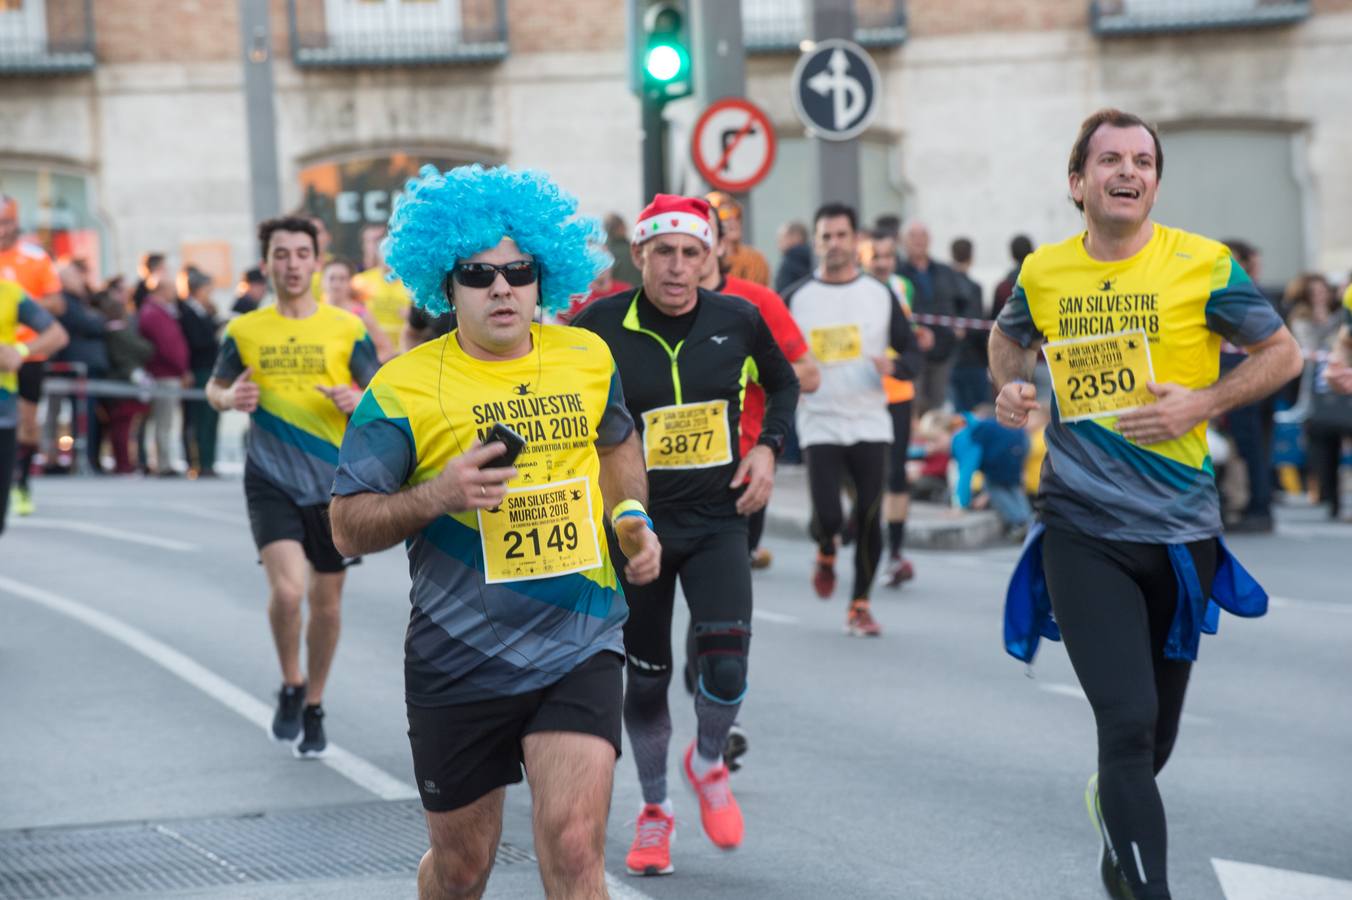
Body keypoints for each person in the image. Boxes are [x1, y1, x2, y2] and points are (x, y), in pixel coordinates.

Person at [992, 108, 1302, 900]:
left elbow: (1283, 354)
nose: (1127, 172)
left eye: (1142, 161)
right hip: (1080, 530)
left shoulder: (1203, 265)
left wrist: (1201, 403)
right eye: (1109, 160)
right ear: (1078, 181)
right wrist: (1012, 384)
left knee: (1151, 741)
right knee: (1125, 723)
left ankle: (1114, 807)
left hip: (1180, 535)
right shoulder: (1044, 272)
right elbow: (1007, 335)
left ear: (1156, 181)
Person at [329, 164, 660, 900]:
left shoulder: (585, 357)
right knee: (462, 869)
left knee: (576, 847)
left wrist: (630, 515)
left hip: (581, 637)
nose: (502, 287)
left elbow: (614, 446)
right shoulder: (403, 388)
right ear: (446, 288)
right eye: (479, 274)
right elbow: (347, 525)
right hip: (459, 657)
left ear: (544, 278)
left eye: (519, 270)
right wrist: (438, 496)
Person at [573, 193, 799, 874]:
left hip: (717, 520)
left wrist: (767, 450)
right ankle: (655, 812)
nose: (677, 267)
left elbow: (784, 385)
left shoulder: (739, 317)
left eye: (691, 253)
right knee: (645, 684)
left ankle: (706, 762)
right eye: (663, 252)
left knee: (726, 669)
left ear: (712, 258)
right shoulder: (598, 325)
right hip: (636, 526)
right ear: (639, 254)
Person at [207, 215, 380, 759]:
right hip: (270, 476)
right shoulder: (245, 331)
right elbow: (213, 387)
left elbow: (381, 392)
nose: (292, 264)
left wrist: (358, 402)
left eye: (302, 253)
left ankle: (315, 702)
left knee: (326, 604)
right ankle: (289, 681)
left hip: (331, 482)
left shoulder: (345, 326)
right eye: (281, 254)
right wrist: (228, 398)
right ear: (267, 263)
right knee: (287, 591)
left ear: (316, 261)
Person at [784, 203, 923, 636]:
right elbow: (773, 358)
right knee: (829, 516)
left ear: (855, 241)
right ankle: (825, 546)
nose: (834, 244)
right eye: (826, 237)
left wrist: (896, 368)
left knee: (868, 513)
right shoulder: (796, 298)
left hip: (868, 419)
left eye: (842, 235)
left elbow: (913, 353)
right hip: (819, 418)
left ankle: (859, 604)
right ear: (815, 243)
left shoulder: (880, 295)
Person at [699, 205, 820, 570]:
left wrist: (755, 369)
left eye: (700, 242)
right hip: (668, 482)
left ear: (722, 246)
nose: (682, 260)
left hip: (744, 469)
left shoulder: (757, 301)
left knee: (723, 608)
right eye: (668, 247)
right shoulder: (639, 312)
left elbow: (809, 376)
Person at [859, 230, 933, 586]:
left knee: (896, 473)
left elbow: (910, 333)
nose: (882, 263)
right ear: (863, 259)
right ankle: (860, 535)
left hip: (898, 391)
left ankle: (895, 552)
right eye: (876, 257)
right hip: (862, 394)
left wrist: (919, 340)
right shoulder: (854, 292)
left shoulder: (903, 287)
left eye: (888, 256)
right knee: (862, 473)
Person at [0, 196, 63, 515]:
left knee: (25, 423)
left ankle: (21, 483)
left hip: (26, 354)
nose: (1, 231)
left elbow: (57, 304)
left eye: (6, 222)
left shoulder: (34, 258)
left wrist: (25, 306)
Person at [1218, 238, 1280, 533]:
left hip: (1244, 376)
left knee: (1250, 446)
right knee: (1244, 446)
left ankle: (1258, 506)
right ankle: (1248, 503)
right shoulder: (1248, 291)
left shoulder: (1241, 292)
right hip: (1245, 375)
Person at [1, 279, 67, 534]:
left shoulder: (9, 293)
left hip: (3, 413)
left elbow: (57, 335)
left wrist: (20, 350)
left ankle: (23, 486)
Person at [899, 220, 963, 415]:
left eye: (923, 236)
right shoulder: (898, 274)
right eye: (913, 236)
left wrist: (958, 327)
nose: (919, 241)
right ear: (903, 241)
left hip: (942, 352)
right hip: (911, 352)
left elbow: (962, 300)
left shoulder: (944, 272)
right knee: (913, 407)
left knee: (939, 410)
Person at [138, 276, 189, 476]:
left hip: (168, 372)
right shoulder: (154, 313)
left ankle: (164, 461)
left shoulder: (159, 312)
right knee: (163, 421)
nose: (175, 293)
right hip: (164, 374)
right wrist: (181, 368)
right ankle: (163, 463)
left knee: (165, 421)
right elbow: (167, 346)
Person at [177, 267, 221, 477]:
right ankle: (197, 461)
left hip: (209, 368)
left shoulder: (203, 311)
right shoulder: (187, 311)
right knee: (197, 419)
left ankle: (208, 461)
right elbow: (195, 341)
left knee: (210, 418)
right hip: (198, 369)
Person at [352, 224, 415, 352]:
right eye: (384, 250)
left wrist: (413, 314)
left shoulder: (412, 283)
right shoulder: (362, 280)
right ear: (377, 252)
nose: (388, 256)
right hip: (371, 351)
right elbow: (349, 310)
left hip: (404, 351)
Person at [324, 256, 397, 362]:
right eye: (332, 278)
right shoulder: (313, 311)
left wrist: (367, 369)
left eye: (342, 279)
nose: (336, 284)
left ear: (350, 282)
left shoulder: (360, 313)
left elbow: (386, 348)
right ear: (322, 280)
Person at [949, 237, 991, 412]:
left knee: (958, 413)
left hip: (953, 357)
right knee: (980, 411)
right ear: (971, 257)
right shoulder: (974, 288)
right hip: (973, 359)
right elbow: (977, 324)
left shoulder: (946, 285)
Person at [705, 191, 770, 286]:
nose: (732, 220)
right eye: (724, 214)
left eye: (736, 214)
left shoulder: (755, 260)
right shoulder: (703, 261)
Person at [774, 220, 813, 294]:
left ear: (796, 237)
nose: (778, 241)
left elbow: (783, 290)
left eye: (782, 236)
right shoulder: (814, 258)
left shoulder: (791, 260)